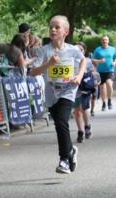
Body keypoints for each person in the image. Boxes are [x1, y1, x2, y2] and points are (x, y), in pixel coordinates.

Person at [28, 15, 86, 174]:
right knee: (59, 124)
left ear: (66, 31)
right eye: (51, 27)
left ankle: (64, 160)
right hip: (51, 92)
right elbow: (33, 72)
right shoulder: (44, 50)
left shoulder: (73, 50)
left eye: (57, 27)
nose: (53, 29)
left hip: (68, 91)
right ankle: (71, 151)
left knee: (61, 122)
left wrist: (79, 76)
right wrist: (48, 64)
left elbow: (83, 61)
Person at [73, 43, 96, 142]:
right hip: (73, 87)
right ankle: (80, 131)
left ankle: (87, 126)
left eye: (81, 49)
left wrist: (94, 81)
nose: (78, 51)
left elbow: (93, 72)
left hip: (84, 87)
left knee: (84, 108)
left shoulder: (87, 61)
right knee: (77, 110)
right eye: (76, 49)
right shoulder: (69, 61)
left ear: (84, 51)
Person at [91, 35, 116, 112]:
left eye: (106, 40)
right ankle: (104, 103)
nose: (105, 41)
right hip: (100, 71)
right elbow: (93, 60)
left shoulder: (113, 49)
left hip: (110, 69)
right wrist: (99, 61)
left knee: (109, 83)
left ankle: (109, 100)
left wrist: (114, 62)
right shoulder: (98, 50)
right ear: (101, 41)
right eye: (103, 40)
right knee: (102, 87)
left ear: (108, 41)